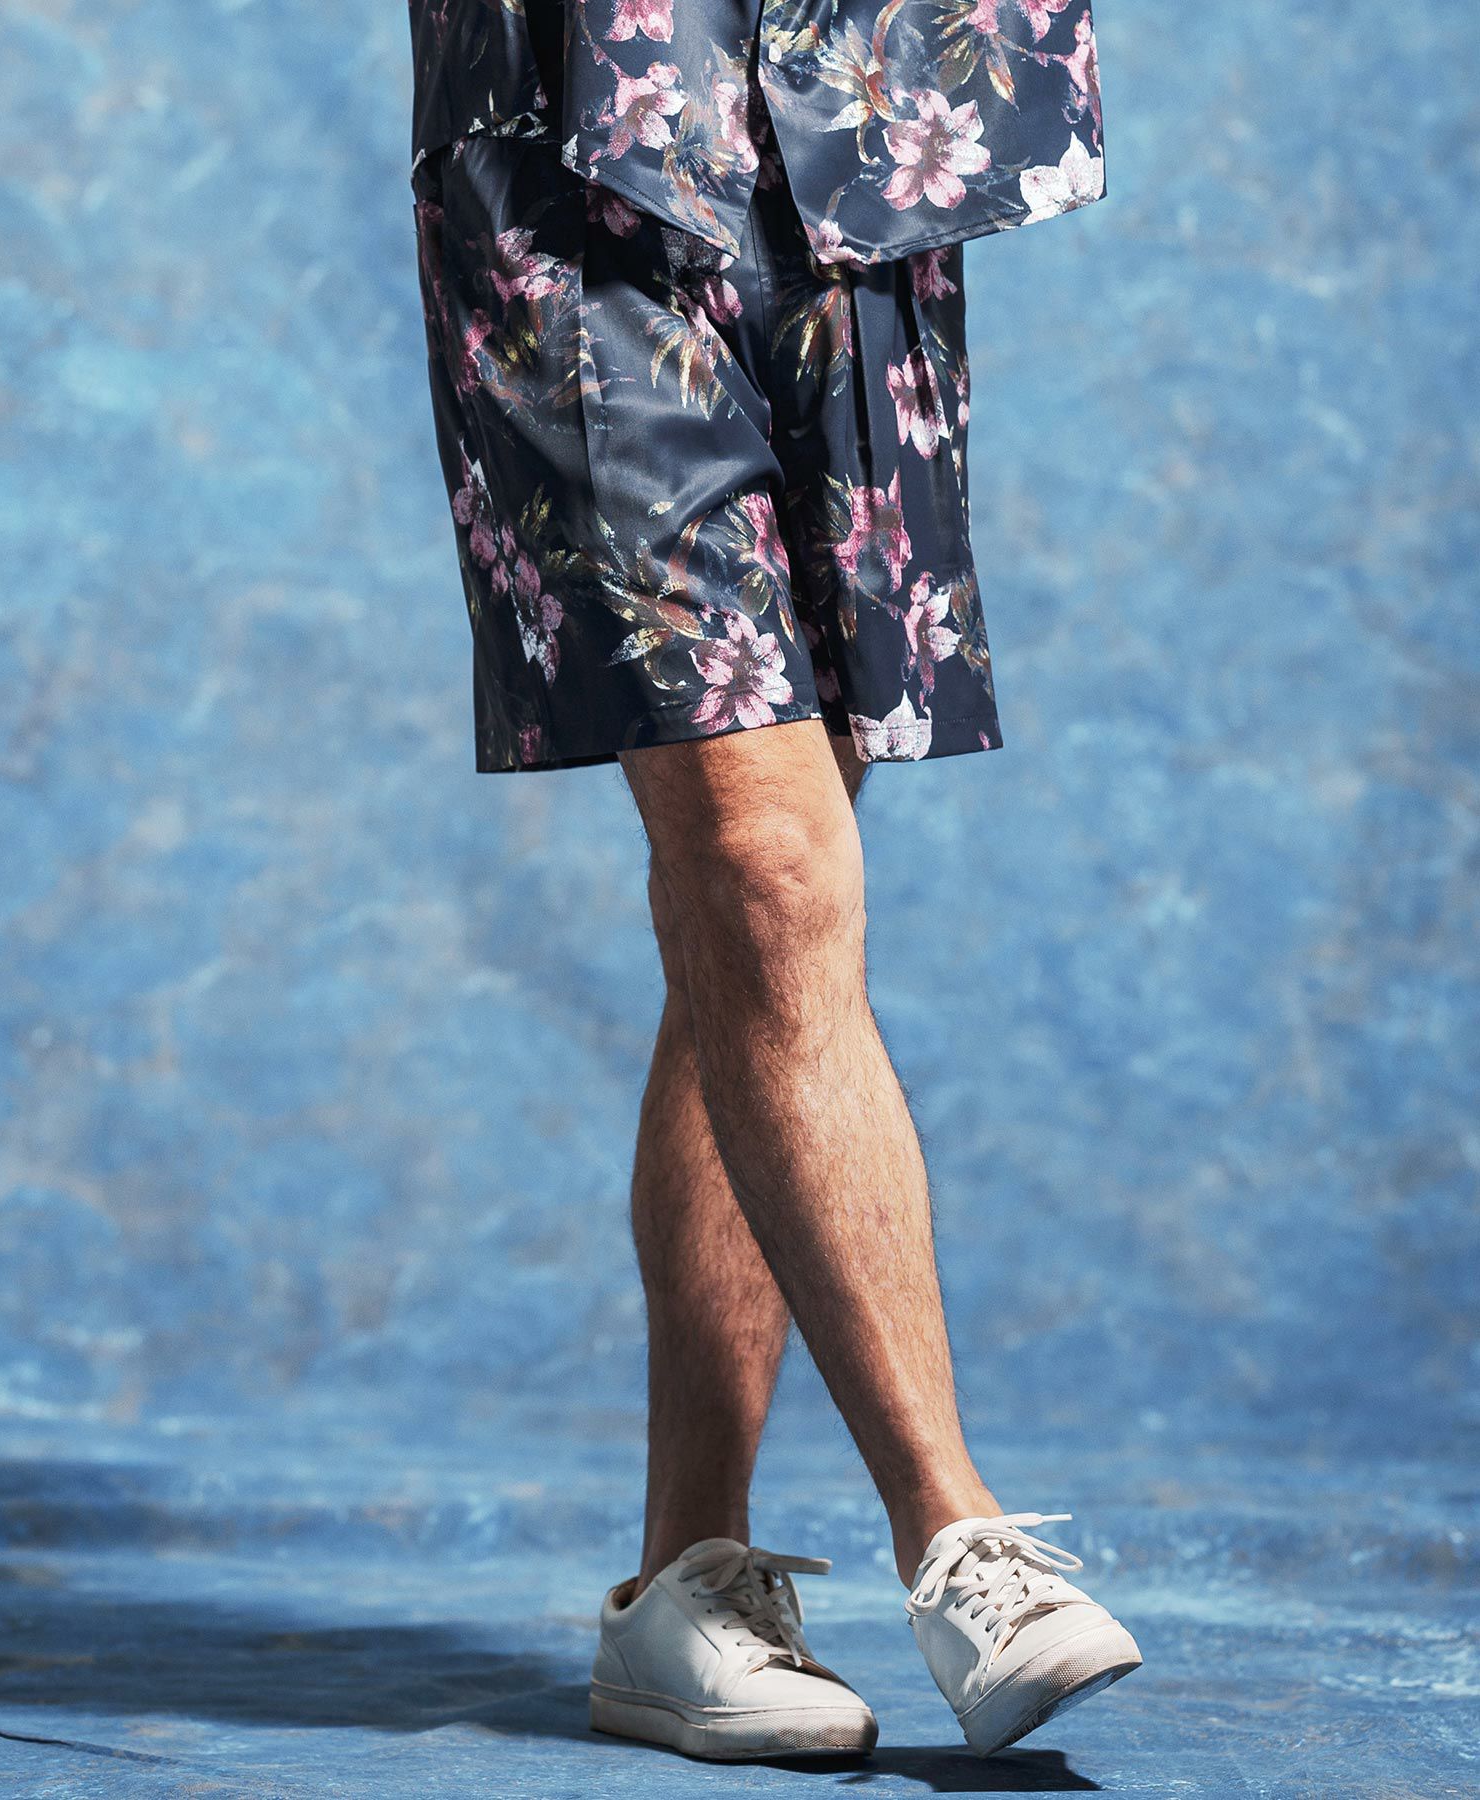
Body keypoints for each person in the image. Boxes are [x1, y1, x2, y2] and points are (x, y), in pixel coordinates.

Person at [407, 0, 1137, 1763]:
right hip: (580, 159)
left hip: (861, 150)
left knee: (758, 920)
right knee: (762, 858)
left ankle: (685, 1585)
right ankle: (955, 1531)